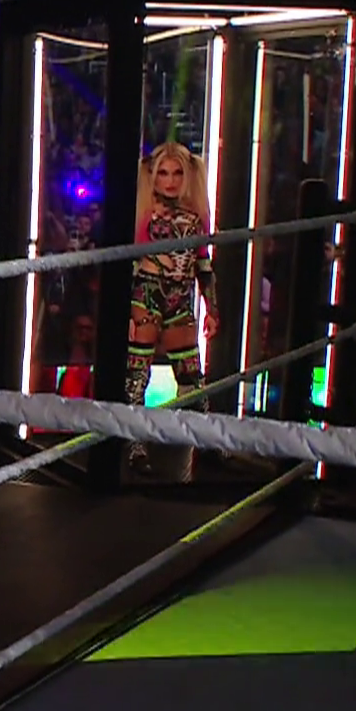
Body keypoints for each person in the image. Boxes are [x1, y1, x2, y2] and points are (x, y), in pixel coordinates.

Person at [127, 141, 219, 467]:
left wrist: (212, 308)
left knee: (192, 376)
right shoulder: (144, 214)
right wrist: (127, 312)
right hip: (147, 295)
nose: (170, 181)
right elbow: (131, 264)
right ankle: (135, 446)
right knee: (137, 375)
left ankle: (207, 442)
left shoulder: (196, 216)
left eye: (177, 173)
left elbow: (204, 266)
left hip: (180, 299)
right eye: (163, 173)